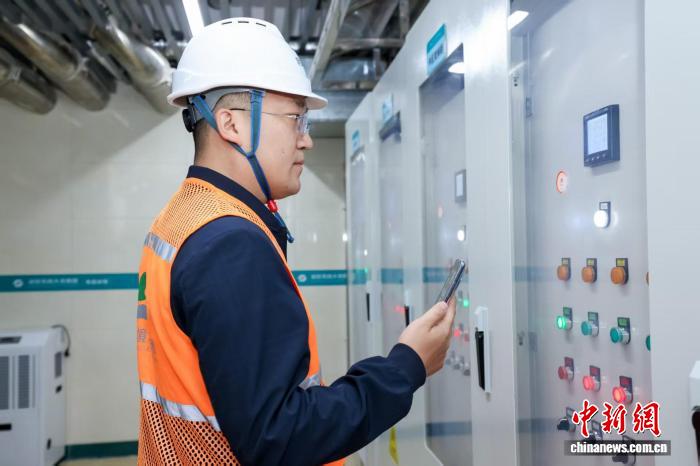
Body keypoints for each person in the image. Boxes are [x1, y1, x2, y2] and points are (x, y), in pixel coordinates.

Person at [135, 17, 456, 466]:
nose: (306, 140)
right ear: (231, 123)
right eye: (295, 119)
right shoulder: (230, 244)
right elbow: (278, 436)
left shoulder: (182, 217)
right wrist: (408, 365)